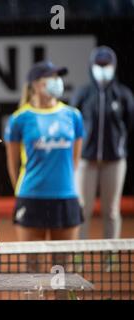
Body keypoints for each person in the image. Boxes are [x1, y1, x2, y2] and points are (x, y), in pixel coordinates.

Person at [4, 61, 84, 259]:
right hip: (31, 198)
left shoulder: (73, 116)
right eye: (52, 77)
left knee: (64, 270)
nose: (58, 82)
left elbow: (75, 160)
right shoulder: (19, 118)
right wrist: (21, 192)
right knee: (32, 271)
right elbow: (12, 163)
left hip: (66, 199)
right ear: (37, 84)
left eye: (58, 77)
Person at [71, 46, 134, 240]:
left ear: (114, 66)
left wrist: (117, 145)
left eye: (106, 65)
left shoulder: (123, 94)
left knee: (112, 210)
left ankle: (111, 254)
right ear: (92, 66)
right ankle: (79, 252)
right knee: (82, 209)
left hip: (115, 161)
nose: (102, 68)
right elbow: (73, 123)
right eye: (99, 65)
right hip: (86, 161)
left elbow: (129, 123)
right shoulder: (83, 94)